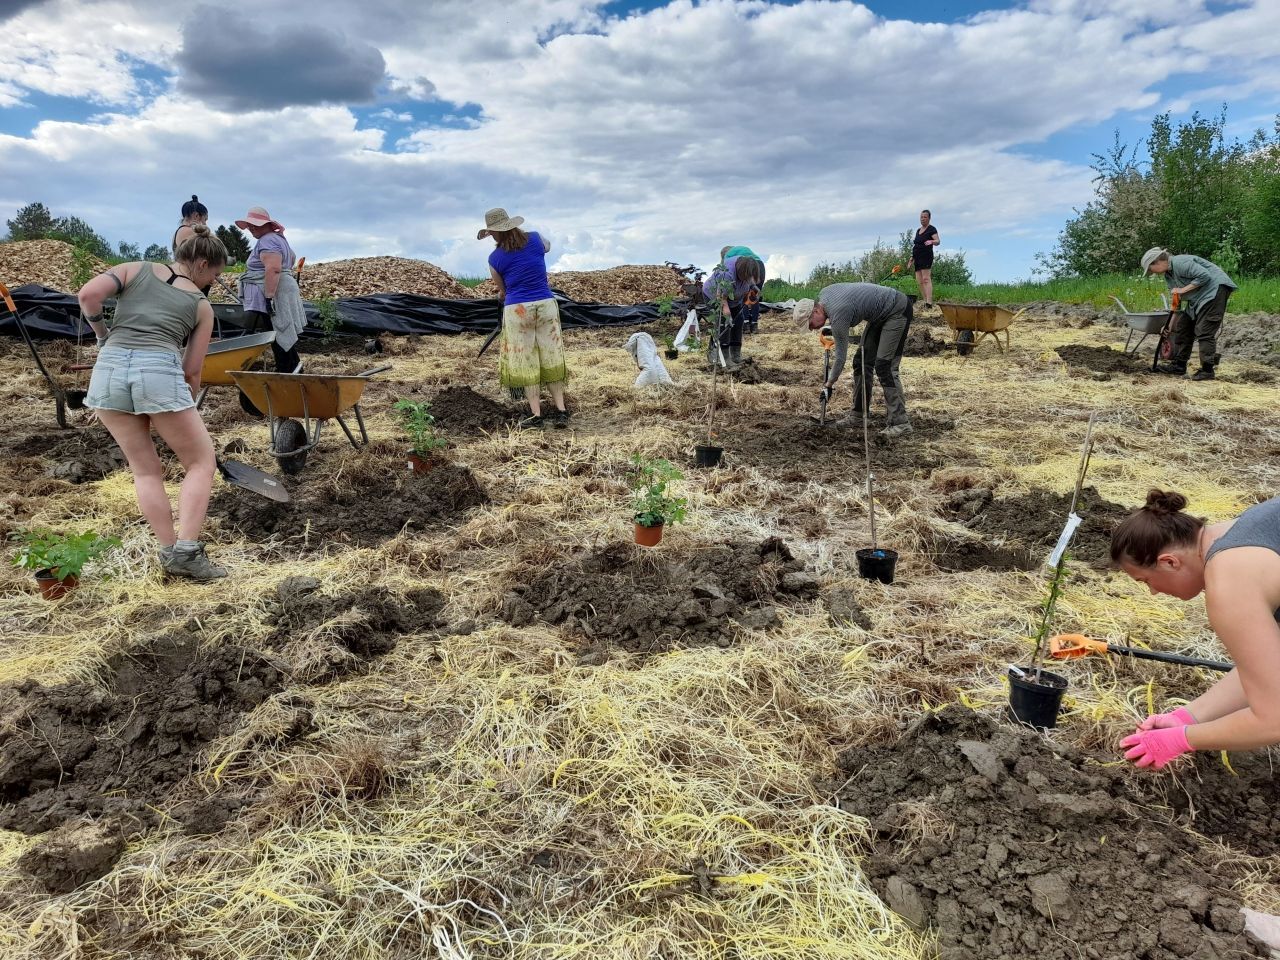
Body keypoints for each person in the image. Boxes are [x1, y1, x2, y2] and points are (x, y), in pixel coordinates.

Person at [77, 227, 229, 580]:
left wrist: (103, 335)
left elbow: (88, 295)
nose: (212, 282)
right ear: (202, 263)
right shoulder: (201, 306)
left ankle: (167, 550)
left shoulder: (134, 268)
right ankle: (187, 552)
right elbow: (192, 371)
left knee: (145, 469)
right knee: (200, 462)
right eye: (215, 275)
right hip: (159, 372)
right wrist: (182, 404)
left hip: (110, 371)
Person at [1112, 490, 1280, 769]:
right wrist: (1188, 717)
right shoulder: (1248, 529)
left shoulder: (1230, 584)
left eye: (1146, 581)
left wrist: (1182, 739)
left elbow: (1273, 718)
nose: (1153, 592)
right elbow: (1268, 668)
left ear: (1169, 562)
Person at [479, 207, 569, 429]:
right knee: (551, 355)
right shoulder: (537, 239)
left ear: (495, 232)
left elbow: (504, 292)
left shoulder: (494, 259)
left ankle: (536, 415)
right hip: (546, 306)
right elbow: (547, 247)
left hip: (518, 310)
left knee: (527, 360)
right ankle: (561, 411)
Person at [792, 282, 913, 438]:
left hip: (897, 309)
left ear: (815, 310)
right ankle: (858, 414)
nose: (812, 329)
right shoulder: (824, 294)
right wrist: (834, 327)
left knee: (885, 366)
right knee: (860, 361)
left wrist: (829, 384)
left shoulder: (838, 314)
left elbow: (841, 357)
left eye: (810, 324)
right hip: (880, 314)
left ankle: (901, 423)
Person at [1140, 247, 1237, 381]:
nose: (1152, 273)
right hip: (1197, 297)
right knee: (1184, 326)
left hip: (1215, 290)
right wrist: (1169, 326)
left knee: (1204, 330)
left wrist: (1182, 289)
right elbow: (1176, 302)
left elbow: (1205, 276)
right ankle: (1179, 366)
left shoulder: (1180, 263)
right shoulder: (1169, 276)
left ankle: (1207, 371)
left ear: (1157, 261)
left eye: (1151, 269)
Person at [235, 206, 306, 373]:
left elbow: (273, 269)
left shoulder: (268, 240)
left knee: (278, 332)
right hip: (281, 289)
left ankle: (288, 369)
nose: (251, 228)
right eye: (250, 225)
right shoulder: (278, 238)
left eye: (255, 224)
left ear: (267, 224)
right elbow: (291, 257)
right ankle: (291, 368)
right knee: (279, 331)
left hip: (276, 291)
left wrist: (269, 297)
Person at [703, 254, 765, 370]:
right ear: (741, 272)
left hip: (735, 299)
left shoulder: (747, 268)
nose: (748, 280)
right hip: (714, 297)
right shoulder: (727, 274)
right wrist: (727, 315)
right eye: (746, 277)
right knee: (724, 323)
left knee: (739, 320)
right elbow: (721, 299)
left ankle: (735, 355)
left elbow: (751, 280)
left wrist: (753, 288)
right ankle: (724, 358)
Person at [719, 245, 766, 333]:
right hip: (760, 266)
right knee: (753, 296)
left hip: (748, 267)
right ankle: (754, 325)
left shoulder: (728, 256)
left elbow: (723, 270)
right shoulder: (740, 249)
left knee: (743, 296)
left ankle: (745, 325)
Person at [908, 210, 939, 308]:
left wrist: (931, 241)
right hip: (917, 257)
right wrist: (912, 257)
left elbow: (938, 241)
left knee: (926, 279)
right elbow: (916, 245)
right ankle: (925, 300)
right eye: (921, 217)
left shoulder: (931, 229)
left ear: (929, 218)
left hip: (926, 256)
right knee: (919, 281)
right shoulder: (918, 231)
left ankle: (929, 303)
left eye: (925, 217)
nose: (923, 219)